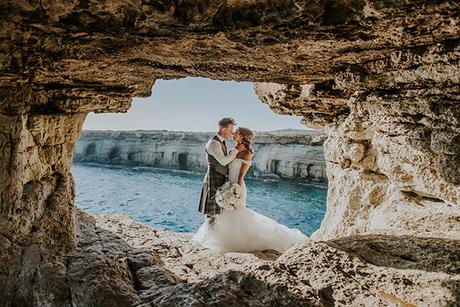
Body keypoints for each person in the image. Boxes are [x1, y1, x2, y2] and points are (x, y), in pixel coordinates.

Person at [194, 127, 308, 253]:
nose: (233, 133)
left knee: (236, 213)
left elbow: (241, 176)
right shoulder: (233, 150)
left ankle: (238, 242)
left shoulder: (247, 153)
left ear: (242, 136)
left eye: (236, 132)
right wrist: (224, 187)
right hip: (227, 185)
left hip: (237, 187)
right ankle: (225, 238)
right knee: (225, 213)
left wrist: (234, 190)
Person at [198, 117, 245, 225]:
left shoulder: (221, 142)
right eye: (231, 129)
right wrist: (237, 150)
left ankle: (212, 234)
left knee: (217, 208)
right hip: (214, 176)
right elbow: (223, 161)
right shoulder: (214, 143)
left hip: (220, 176)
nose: (232, 132)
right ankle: (208, 235)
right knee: (212, 211)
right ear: (224, 129)